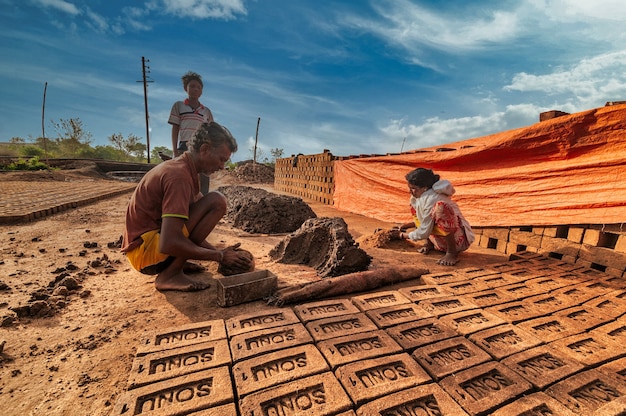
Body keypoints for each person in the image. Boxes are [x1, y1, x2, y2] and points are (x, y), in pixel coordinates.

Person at [121, 121, 253, 291]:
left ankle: (175, 265)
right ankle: (170, 275)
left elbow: (189, 228)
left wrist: (220, 252)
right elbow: (169, 242)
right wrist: (218, 256)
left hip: (146, 248)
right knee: (216, 202)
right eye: (221, 159)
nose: (222, 166)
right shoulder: (179, 177)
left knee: (205, 201)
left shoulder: (185, 170)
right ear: (204, 149)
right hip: (144, 254)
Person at [393, 168, 475, 266]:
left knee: (441, 208)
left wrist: (402, 236)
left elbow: (424, 230)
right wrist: (406, 226)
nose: (410, 191)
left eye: (413, 188)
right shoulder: (420, 196)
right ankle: (429, 244)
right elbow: (425, 221)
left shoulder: (434, 198)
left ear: (425, 188)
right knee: (413, 203)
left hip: (458, 243)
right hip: (438, 242)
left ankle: (451, 253)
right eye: (410, 188)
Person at [168, 71, 212, 195]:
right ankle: (181, 201)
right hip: (184, 146)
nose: (195, 89)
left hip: (201, 148)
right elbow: (175, 128)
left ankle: (203, 201)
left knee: (204, 175)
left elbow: (211, 131)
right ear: (185, 88)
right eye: (192, 86)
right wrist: (175, 151)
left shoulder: (206, 111)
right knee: (182, 176)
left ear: (202, 91)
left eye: (198, 87)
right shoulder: (179, 106)